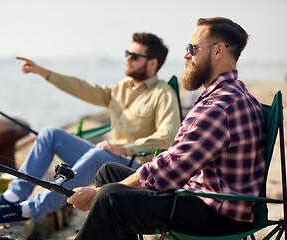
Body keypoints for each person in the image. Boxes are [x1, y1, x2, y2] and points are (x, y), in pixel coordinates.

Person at [67, 17, 267, 240]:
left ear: (218, 51)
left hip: (216, 215)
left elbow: (173, 168)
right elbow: (177, 161)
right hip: (203, 198)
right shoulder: (232, 93)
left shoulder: (220, 106)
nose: (185, 55)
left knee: (108, 198)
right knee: (108, 173)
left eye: (192, 48)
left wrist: (94, 193)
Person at [0, 32, 181, 225]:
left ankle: (30, 210)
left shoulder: (163, 94)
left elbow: (167, 137)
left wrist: (125, 149)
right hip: (107, 157)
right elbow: (84, 88)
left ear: (152, 63)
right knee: (50, 134)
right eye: (127, 53)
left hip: (136, 170)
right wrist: (44, 72)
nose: (127, 58)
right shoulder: (122, 88)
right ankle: (12, 197)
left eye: (134, 56)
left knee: (98, 155)